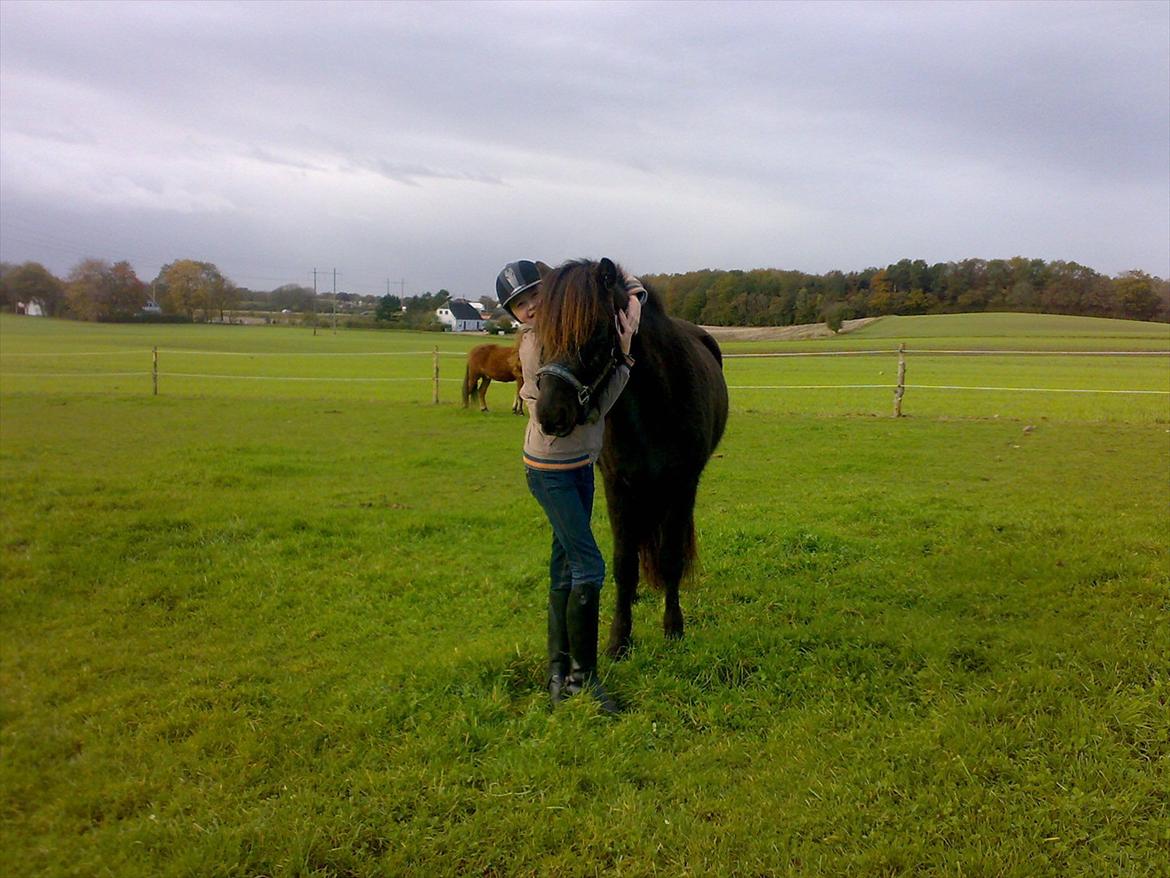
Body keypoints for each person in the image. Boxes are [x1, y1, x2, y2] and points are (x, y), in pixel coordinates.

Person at [496, 259, 643, 714]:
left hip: (577, 466)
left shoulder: (560, 331)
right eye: (520, 305)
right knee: (588, 568)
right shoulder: (538, 347)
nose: (530, 308)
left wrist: (633, 305)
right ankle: (583, 680)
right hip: (552, 470)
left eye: (535, 296)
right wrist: (623, 354)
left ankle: (558, 674)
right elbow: (586, 413)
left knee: (563, 569)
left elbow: (619, 277)